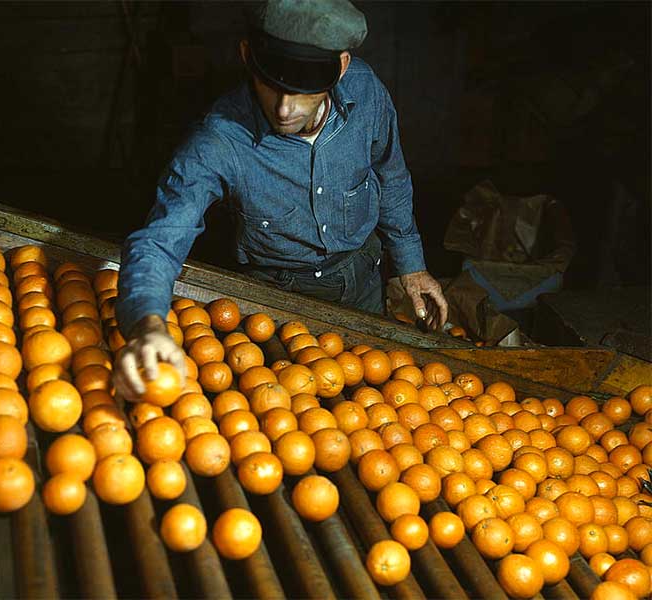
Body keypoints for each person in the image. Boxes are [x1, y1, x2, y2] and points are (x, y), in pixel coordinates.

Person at [113, 0, 448, 399]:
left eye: (302, 89)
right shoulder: (219, 141)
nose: (284, 108)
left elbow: (390, 175)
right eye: (271, 83)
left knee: (366, 403)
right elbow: (161, 238)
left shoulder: (366, 93)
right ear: (246, 56)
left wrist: (410, 266)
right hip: (272, 304)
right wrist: (147, 323)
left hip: (361, 284)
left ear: (340, 67)